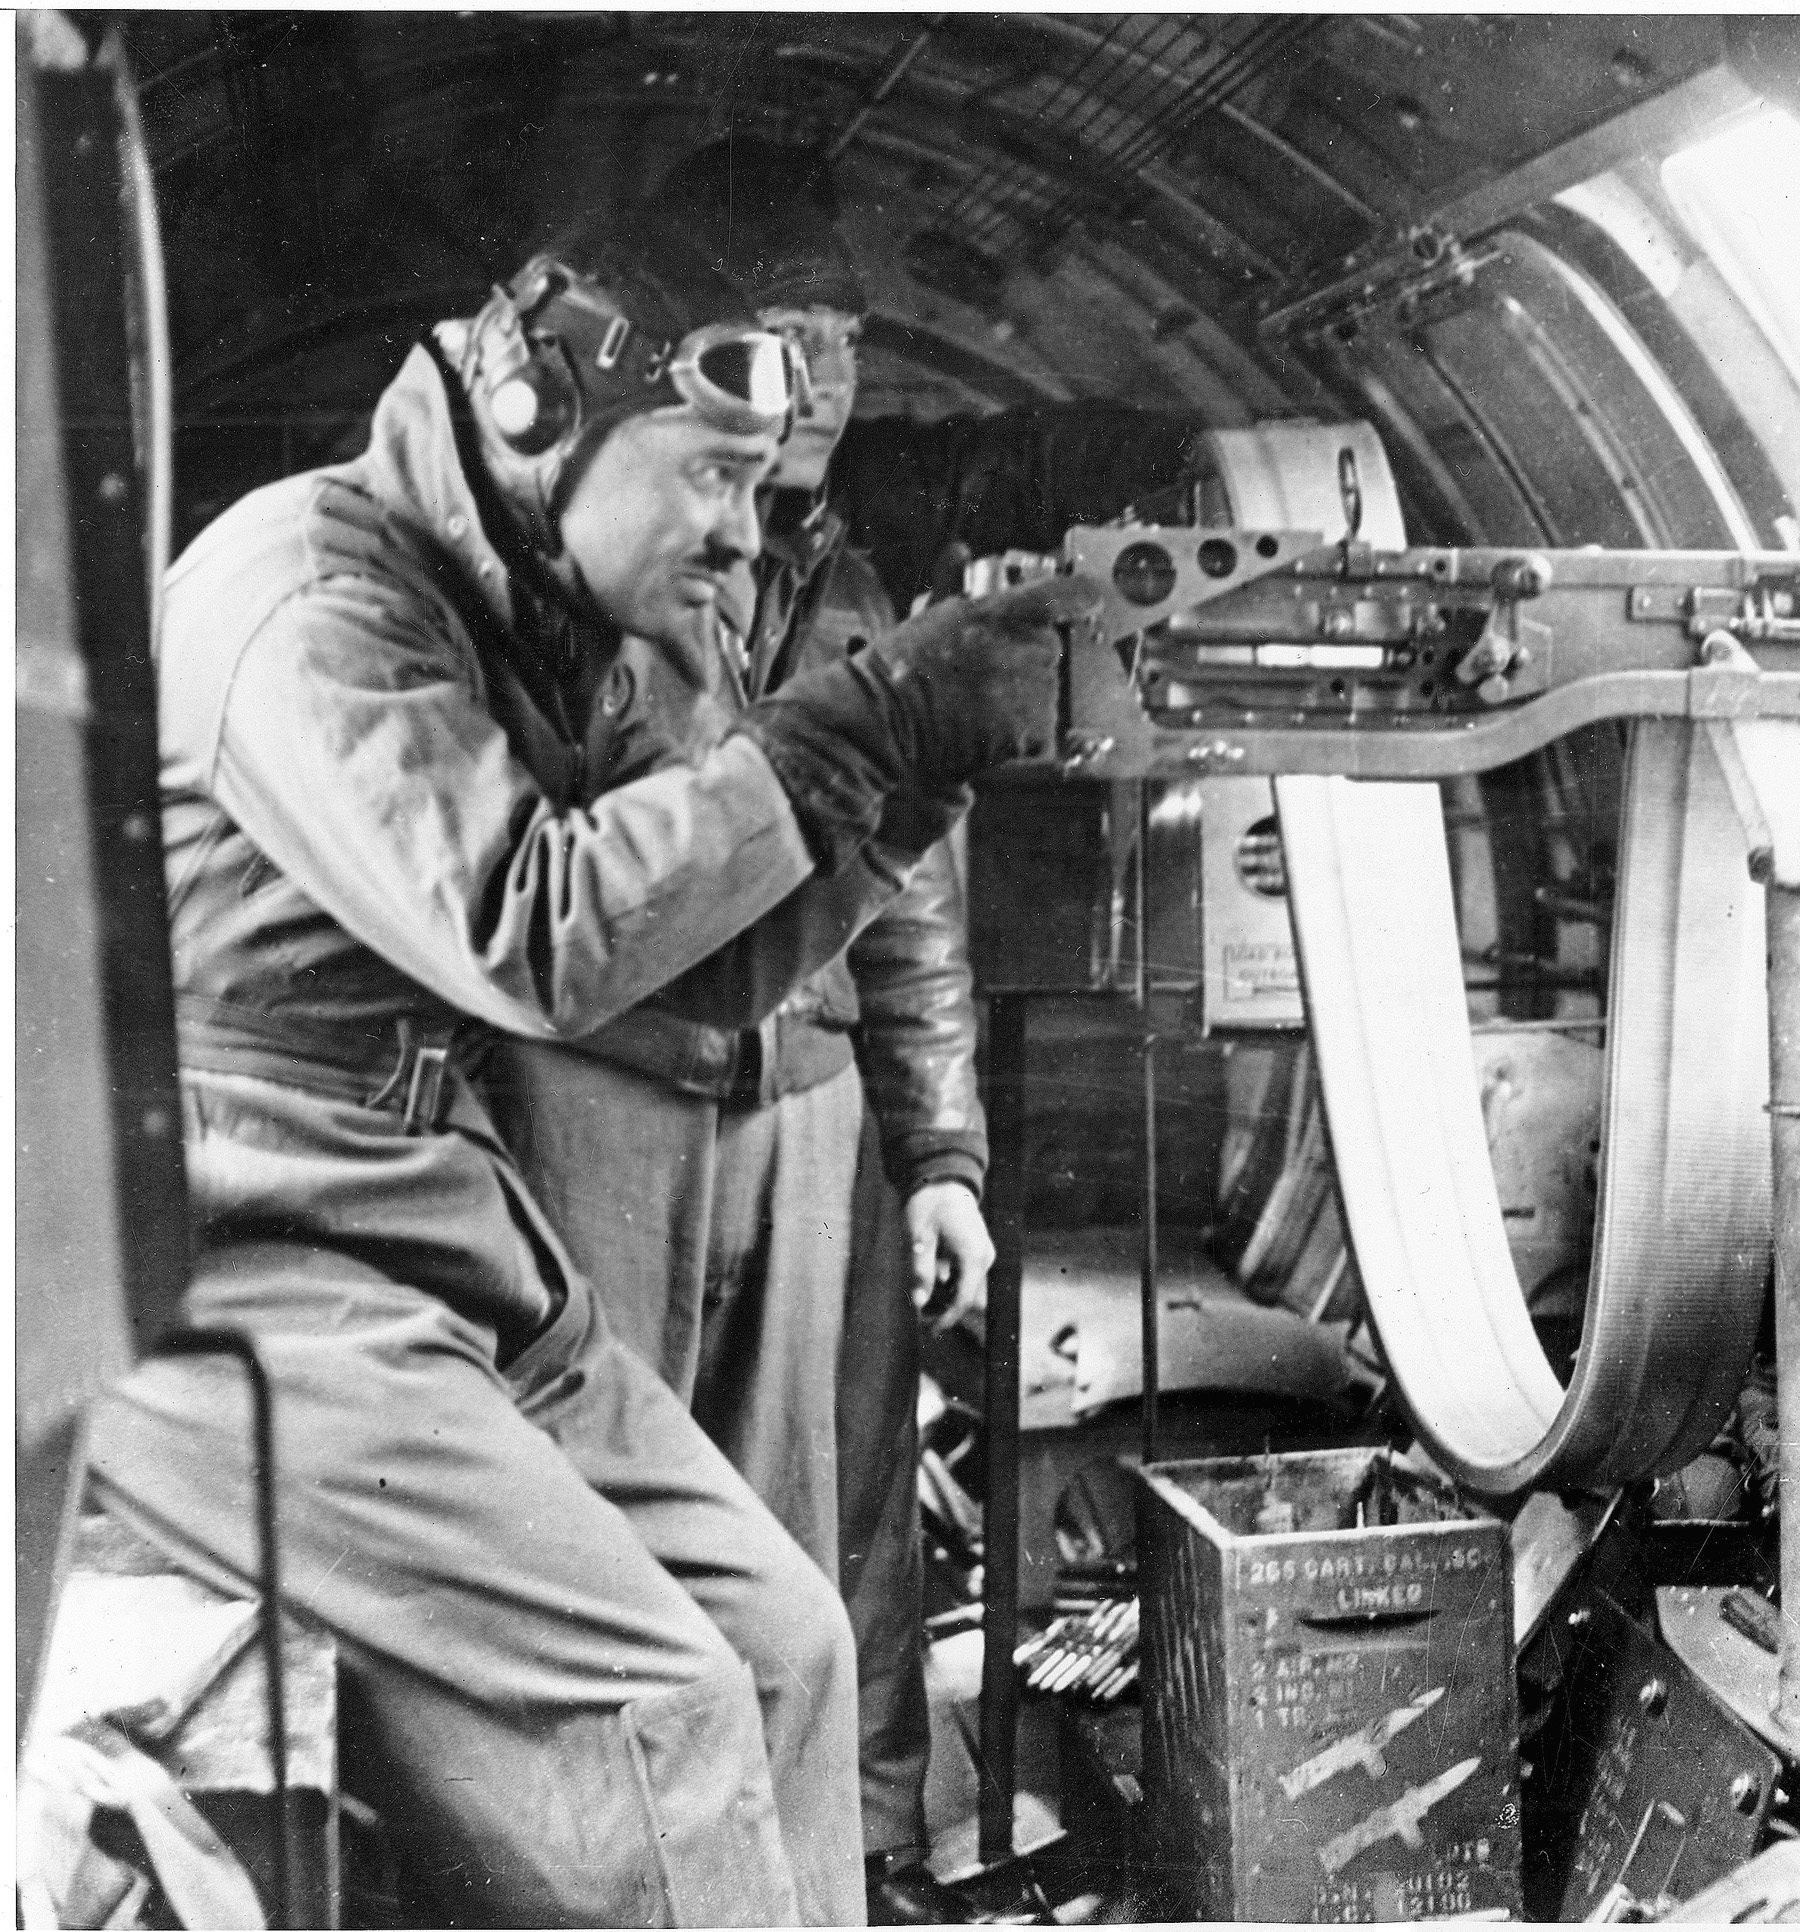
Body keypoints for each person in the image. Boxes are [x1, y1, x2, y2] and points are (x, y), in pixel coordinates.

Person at [79, 206, 1094, 1926]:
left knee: (787, 1645)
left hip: (419, 1233)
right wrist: (860, 724)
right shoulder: (305, 593)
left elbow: (687, 979)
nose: (738, 529)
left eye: (759, 485)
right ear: (543, 421)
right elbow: (531, 931)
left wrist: (908, 782)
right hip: (227, 1259)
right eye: (706, 476)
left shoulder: (534, 618)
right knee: (659, 1712)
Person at [481, 178, 988, 1925]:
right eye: (795, 340)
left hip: (816, 1100)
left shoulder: (857, 589)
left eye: (850, 343)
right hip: (611, 1091)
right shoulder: (589, 561)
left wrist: (943, 1161)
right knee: (598, 1499)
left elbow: (917, 902)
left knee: (837, 1509)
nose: (829, 376)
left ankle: (860, 1863)